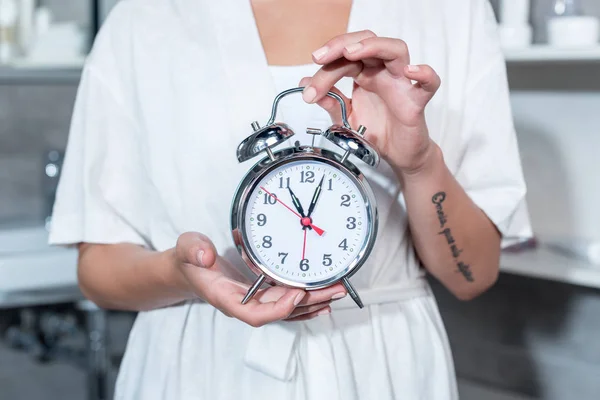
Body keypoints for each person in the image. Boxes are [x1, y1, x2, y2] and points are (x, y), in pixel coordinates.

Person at [49, 0, 532, 399]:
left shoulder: (452, 11)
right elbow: (98, 270)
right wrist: (185, 277)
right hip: (199, 371)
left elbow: (474, 274)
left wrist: (420, 163)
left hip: (384, 367)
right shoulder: (143, 19)